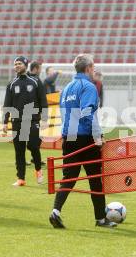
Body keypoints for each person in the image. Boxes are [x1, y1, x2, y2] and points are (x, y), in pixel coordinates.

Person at [49, 54, 117, 229]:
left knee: (69, 176)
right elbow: (88, 114)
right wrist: (98, 137)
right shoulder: (88, 87)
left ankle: (55, 211)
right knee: (95, 178)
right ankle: (101, 219)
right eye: (93, 68)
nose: (94, 71)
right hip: (85, 138)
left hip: (68, 136)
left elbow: (64, 115)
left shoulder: (66, 89)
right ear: (88, 68)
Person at [3, 56, 48, 186]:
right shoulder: (11, 84)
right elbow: (7, 104)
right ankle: (21, 178)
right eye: (15, 64)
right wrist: (5, 121)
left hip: (32, 120)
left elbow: (43, 101)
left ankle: (38, 170)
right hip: (17, 122)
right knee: (19, 150)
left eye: (19, 63)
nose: (17, 66)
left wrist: (44, 119)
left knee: (34, 146)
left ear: (26, 65)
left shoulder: (35, 81)